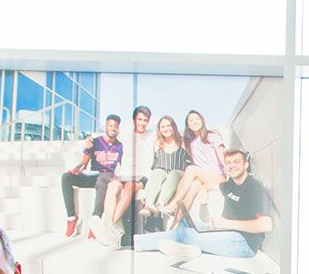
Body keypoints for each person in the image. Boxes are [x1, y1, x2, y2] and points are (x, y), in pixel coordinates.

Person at [138, 148, 277, 260]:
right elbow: (211, 185)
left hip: (244, 243)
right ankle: (189, 248)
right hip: (226, 232)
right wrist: (203, 189)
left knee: (183, 234)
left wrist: (228, 223)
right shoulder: (230, 184)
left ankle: (137, 243)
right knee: (185, 224)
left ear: (246, 165)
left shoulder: (254, 187)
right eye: (228, 163)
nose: (231, 166)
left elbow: (266, 225)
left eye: (236, 162)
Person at [61, 114, 127, 240]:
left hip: (107, 177)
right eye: (110, 125)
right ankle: (72, 218)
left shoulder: (120, 146)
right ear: (106, 126)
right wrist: (78, 168)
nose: (113, 128)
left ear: (118, 128)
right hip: (93, 175)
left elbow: (124, 165)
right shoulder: (95, 142)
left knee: (103, 179)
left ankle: (95, 222)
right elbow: (84, 164)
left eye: (115, 126)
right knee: (66, 177)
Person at [100, 106, 155, 232]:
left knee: (130, 187)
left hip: (143, 175)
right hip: (124, 173)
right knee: (112, 187)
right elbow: (107, 136)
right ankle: (109, 225)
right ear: (134, 119)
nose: (142, 123)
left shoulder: (152, 134)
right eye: (139, 119)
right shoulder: (125, 133)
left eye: (145, 120)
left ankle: (110, 227)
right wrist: (89, 141)